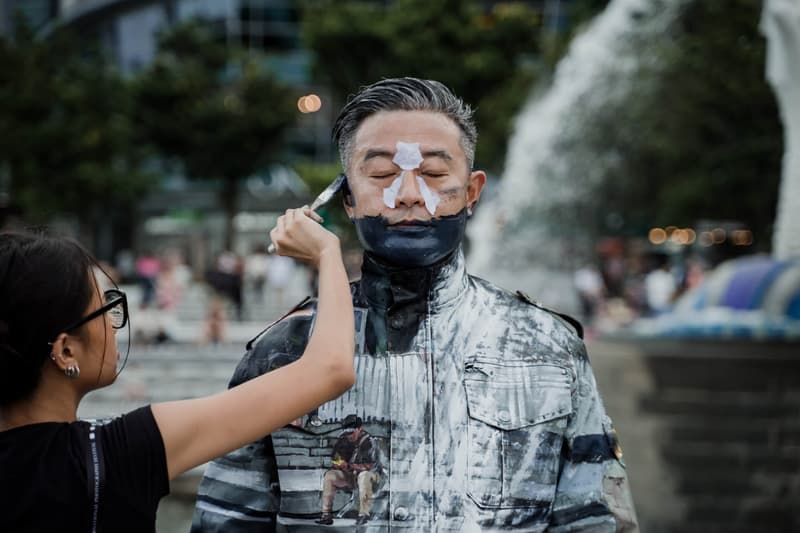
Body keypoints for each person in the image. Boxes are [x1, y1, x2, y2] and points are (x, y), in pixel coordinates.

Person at [192, 77, 638, 531]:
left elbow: (595, 519)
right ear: (347, 197)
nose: (406, 194)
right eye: (383, 175)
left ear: (471, 192)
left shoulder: (549, 347)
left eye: (435, 174)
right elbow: (227, 519)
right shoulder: (283, 352)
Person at [0, 209, 354, 533]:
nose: (113, 325)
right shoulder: (117, 451)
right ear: (65, 351)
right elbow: (330, 369)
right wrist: (326, 253)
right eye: (104, 310)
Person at [317, 415, 384, 526]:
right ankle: (326, 515)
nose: (349, 436)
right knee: (330, 475)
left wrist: (350, 466)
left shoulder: (369, 441)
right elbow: (335, 459)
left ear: (359, 429)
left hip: (373, 478)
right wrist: (339, 464)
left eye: (351, 433)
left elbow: (369, 466)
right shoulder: (344, 440)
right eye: (346, 433)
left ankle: (363, 515)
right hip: (352, 476)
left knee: (363, 476)